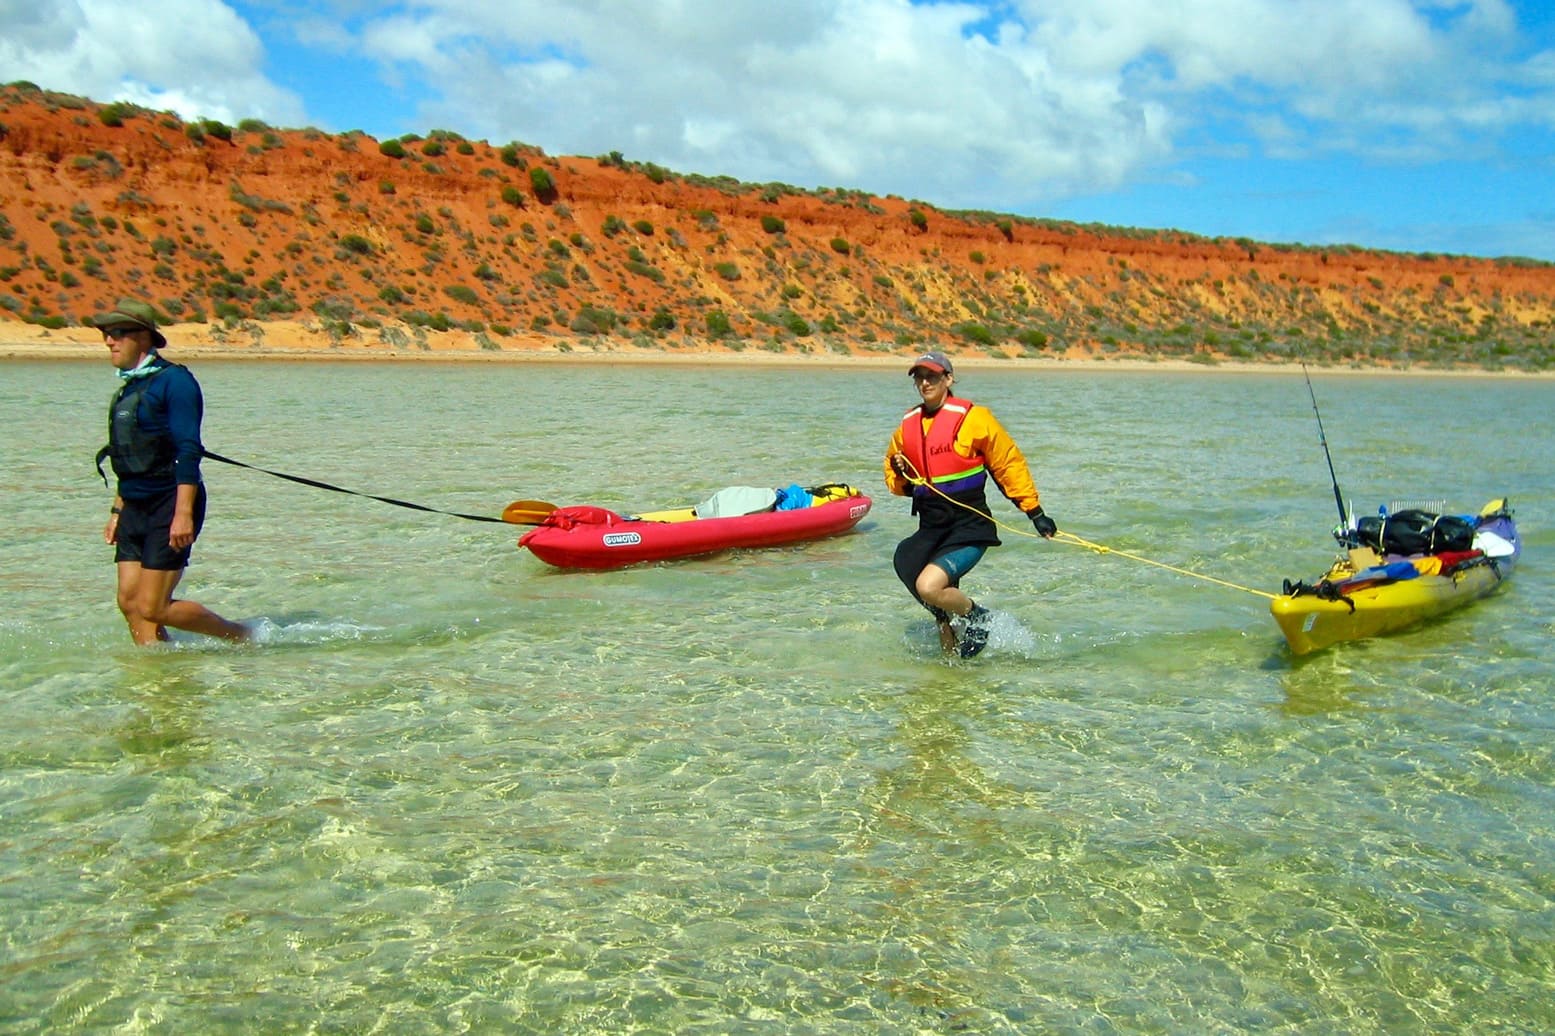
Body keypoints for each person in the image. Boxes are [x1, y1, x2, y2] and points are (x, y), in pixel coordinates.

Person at [94, 297, 249, 645]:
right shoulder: (129, 389)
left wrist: (183, 514)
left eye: (119, 332)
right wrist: (118, 510)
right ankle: (158, 676)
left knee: (154, 606)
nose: (109, 340)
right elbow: (129, 455)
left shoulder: (175, 382)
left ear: (145, 337)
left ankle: (241, 636)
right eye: (106, 333)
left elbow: (189, 449)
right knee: (129, 603)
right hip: (135, 505)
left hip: (170, 501)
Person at [883, 351, 1057, 657]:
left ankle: (979, 617)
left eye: (932, 376)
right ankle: (953, 682)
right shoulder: (907, 425)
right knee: (909, 567)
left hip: (968, 528)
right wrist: (901, 475)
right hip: (931, 528)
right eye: (919, 378)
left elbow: (1008, 465)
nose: (925, 383)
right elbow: (898, 481)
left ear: (948, 379)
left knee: (929, 587)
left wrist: (1035, 512)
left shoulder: (975, 419)